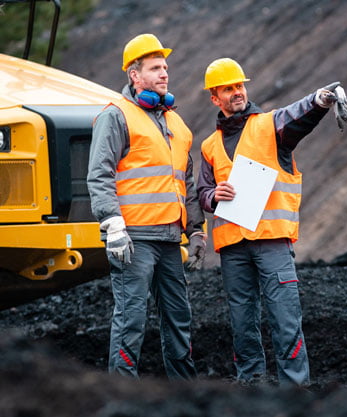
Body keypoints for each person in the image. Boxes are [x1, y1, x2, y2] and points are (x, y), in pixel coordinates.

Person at [197, 58, 347, 386]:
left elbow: (296, 116)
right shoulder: (209, 146)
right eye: (228, 88)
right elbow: (202, 192)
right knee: (242, 324)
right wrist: (213, 196)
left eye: (240, 85)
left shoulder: (270, 125)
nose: (237, 92)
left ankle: (295, 390)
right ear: (215, 97)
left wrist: (319, 100)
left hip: (272, 243)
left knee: (285, 320)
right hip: (233, 251)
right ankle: (251, 388)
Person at [87, 34, 206, 379]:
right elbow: (99, 174)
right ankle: (122, 396)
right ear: (135, 75)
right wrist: (112, 224)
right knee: (131, 320)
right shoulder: (116, 116)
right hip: (133, 239)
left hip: (169, 240)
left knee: (179, 319)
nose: (164, 73)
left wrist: (195, 229)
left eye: (165, 67)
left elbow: (186, 183)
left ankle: (186, 396)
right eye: (155, 68)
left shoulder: (177, 125)